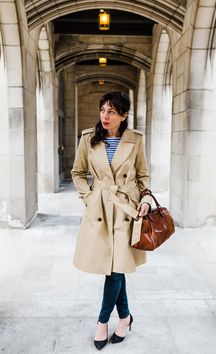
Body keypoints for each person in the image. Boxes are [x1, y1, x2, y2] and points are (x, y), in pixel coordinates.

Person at [71, 91, 152, 350]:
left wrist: (146, 201)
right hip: (101, 210)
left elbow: (143, 177)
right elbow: (78, 172)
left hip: (126, 210)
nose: (105, 116)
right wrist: (89, 197)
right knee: (115, 267)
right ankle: (126, 317)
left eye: (112, 112)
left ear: (124, 115)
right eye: (103, 110)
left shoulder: (135, 140)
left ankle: (102, 322)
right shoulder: (88, 139)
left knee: (115, 270)